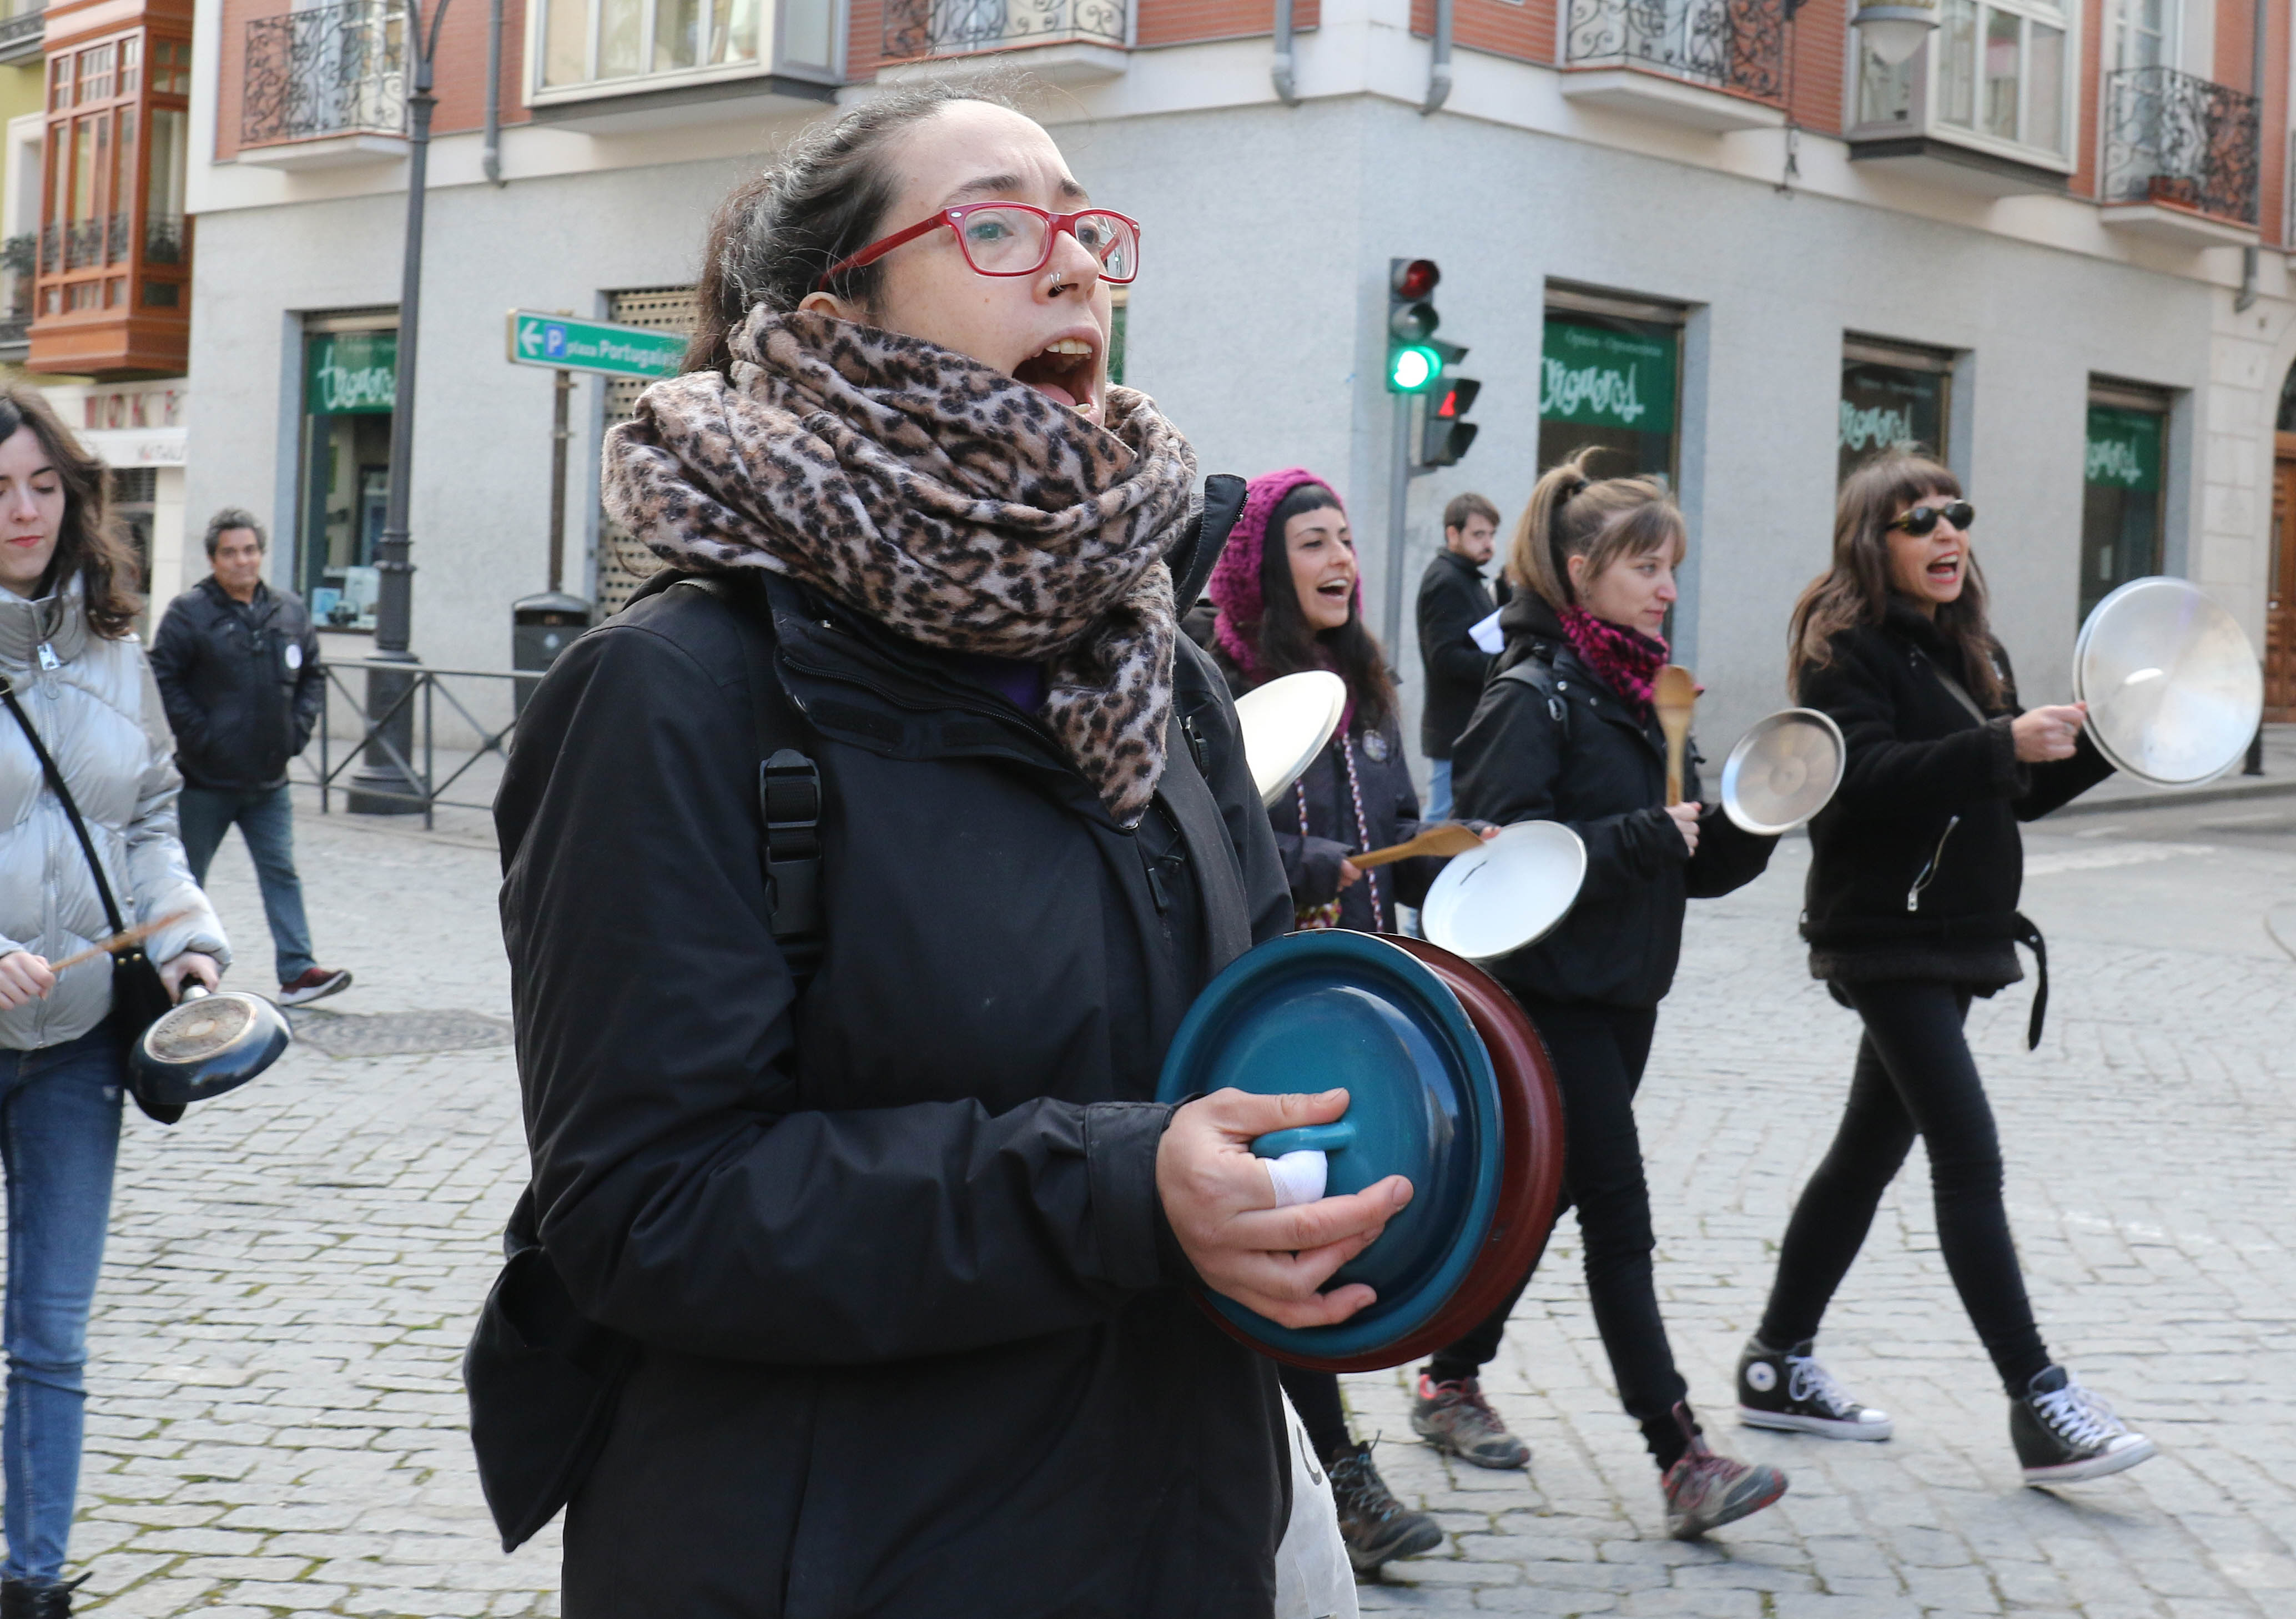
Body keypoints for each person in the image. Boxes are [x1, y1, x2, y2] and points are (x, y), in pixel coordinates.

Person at [484, 86, 1414, 1616]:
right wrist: (1123, 1190)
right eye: (997, 223)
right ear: (833, 309)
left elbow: (1232, 1066)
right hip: (840, 1553)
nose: (1074, 268)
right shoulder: (680, 689)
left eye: (1085, 226)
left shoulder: (1157, 670)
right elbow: (646, 1208)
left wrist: (1397, 1134)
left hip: (1181, 1530)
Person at [1739, 454, 2156, 1488]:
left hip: (1952, 940)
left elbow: (2010, 792)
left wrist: (2103, 736)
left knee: (1863, 1156)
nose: (1944, 535)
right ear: (1870, 541)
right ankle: (2038, 1396)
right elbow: (1859, 786)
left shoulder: (1973, 649)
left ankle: (1774, 1362)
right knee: (1966, 1156)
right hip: (1887, 940)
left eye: (1954, 515)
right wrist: (1999, 741)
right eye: (1916, 520)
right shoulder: (1843, 654)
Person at [1436, 449, 1786, 1539]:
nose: (1667, 588)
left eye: (1671, 568)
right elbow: (1486, 859)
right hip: (1549, 999)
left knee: (1545, 1200)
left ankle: (1449, 1381)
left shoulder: (1637, 692)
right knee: (1619, 1215)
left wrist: (1760, 819)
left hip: (1624, 994)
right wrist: (1640, 835)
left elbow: (1682, 860)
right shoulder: (1531, 695)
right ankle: (1679, 1456)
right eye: (1647, 567)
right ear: (1581, 568)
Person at [1190, 468, 1491, 1573]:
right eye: (1313, 542)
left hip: (1362, 1001)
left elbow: (1400, 826)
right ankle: (1336, 1479)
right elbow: (1212, 842)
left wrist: (1449, 858)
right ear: (1268, 566)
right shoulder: (1223, 685)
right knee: (1298, 1231)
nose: (1339, 562)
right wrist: (1308, 865)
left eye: (1346, 540)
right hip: (1270, 1013)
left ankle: (1314, 1467)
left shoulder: (1365, 687)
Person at [0, 386, 227, 1617]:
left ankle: (32, 1583)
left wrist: (188, 938)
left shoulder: (111, 645)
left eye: (43, 484)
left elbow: (147, 823)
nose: (24, 510)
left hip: (78, 1042)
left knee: (52, 1334)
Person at [148, 510, 347, 1008]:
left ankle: (298, 971)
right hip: (205, 780)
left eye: (250, 550)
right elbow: (162, 677)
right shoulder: (188, 614)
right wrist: (201, 736)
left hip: (269, 781)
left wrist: (297, 731)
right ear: (214, 559)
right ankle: (174, 970)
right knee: (184, 880)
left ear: (262, 553)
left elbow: (314, 675)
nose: (243, 561)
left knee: (281, 871)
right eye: (231, 553)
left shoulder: (289, 611)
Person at [1415, 492, 1502, 820]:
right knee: (1439, 822)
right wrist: (1502, 666)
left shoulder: (1467, 578)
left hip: (1466, 728)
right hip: (1454, 729)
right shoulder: (1447, 581)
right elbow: (1445, 658)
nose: (1488, 544)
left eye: (1492, 534)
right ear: (1453, 534)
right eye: (1478, 535)